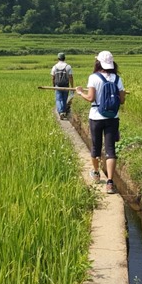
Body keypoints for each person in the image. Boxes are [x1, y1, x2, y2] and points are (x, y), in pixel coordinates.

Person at [75, 51, 126, 194]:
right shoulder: (117, 79)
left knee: (96, 147)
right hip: (112, 118)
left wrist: (80, 92)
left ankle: (96, 174)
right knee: (110, 150)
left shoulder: (94, 77)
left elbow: (91, 98)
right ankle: (110, 182)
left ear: (98, 63)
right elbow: (122, 100)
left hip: (96, 117)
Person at [50, 52, 74, 120]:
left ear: (58, 58)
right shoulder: (68, 66)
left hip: (58, 85)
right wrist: (72, 87)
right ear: (64, 58)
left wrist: (54, 85)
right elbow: (70, 77)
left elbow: (53, 77)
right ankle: (63, 112)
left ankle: (61, 112)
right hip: (66, 85)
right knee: (64, 99)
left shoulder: (54, 67)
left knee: (58, 99)